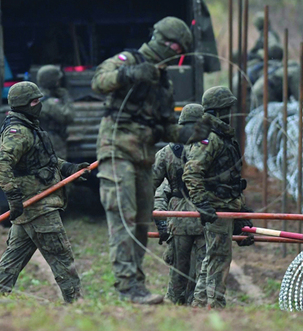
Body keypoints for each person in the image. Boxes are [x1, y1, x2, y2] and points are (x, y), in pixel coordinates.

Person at [91, 16, 203, 304]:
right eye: (173, 46)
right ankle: (127, 285)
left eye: (178, 49)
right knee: (123, 216)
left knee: (141, 222)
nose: (174, 52)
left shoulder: (164, 83)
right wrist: (128, 74)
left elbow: (165, 128)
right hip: (117, 150)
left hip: (144, 157)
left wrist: (189, 133)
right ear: (160, 40)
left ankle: (136, 285)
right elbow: (99, 82)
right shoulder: (128, 59)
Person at [0, 81, 89, 303]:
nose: (39, 105)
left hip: (33, 209)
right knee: (62, 258)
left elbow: (44, 161)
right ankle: (77, 304)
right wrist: (13, 198)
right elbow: (1, 165)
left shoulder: (30, 127)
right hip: (38, 207)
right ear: (23, 105)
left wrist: (69, 168)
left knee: (12, 260)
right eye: (34, 101)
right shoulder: (18, 132)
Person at [183, 86, 254, 309]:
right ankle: (214, 307)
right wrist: (202, 203)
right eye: (226, 109)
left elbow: (231, 182)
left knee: (212, 257)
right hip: (216, 208)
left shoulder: (221, 135)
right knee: (219, 258)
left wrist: (242, 214)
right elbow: (191, 172)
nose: (230, 113)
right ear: (218, 111)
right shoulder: (210, 137)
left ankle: (201, 304)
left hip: (226, 206)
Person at [152, 103, 206, 305]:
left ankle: (174, 306)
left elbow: (151, 185)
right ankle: (199, 306)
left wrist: (158, 219)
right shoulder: (210, 149)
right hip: (205, 216)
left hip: (178, 217)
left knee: (177, 272)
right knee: (204, 271)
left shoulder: (166, 152)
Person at [36, 65, 74, 159]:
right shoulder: (48, 102)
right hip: (51, 142)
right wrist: (66, 97)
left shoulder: (38, 96)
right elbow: (68, 116)